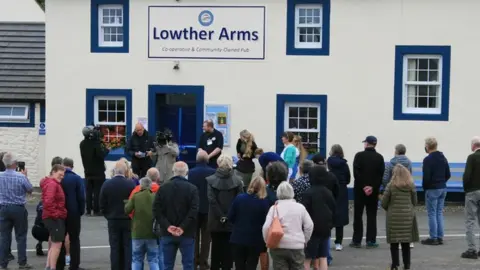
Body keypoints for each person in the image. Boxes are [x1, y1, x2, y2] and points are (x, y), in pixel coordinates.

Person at [153, 161, 199, 270]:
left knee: (167, 265)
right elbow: (194, 211)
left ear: (173, 171)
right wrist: (182, 227)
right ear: (186, 172)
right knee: (188, 265)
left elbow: (156, 210)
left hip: (167, 232)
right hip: (187, 232)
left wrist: (168, 226)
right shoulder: (192, 189)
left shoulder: (163, 188)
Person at [262, 182, 314, 270]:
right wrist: (304, 240)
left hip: (278, 245)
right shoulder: (300, 207)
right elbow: (309, 225)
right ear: (292, 192)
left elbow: (266, 227)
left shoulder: (274, 208)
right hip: (297, 246)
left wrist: (268, 241)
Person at [207, 154, 244, 270]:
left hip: (215, 219)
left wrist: (220, 216)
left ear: (218, 164)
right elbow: (239, 201)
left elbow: (211, 200)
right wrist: (228, 216)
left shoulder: (210, 180)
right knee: (229, 250)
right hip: (232, 220)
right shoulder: (238, 181)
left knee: (216, 249)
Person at [381, 164, 419, 270]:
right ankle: (407, 265)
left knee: (394, 243)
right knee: (406, 243)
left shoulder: (390, 185)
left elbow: (384, 203)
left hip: (393, 218)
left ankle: (395, 265)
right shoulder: (411, 185)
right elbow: (415, 202)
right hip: (408, 217)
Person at [100, 160, 136, 270]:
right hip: (127, 219)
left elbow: (102, 204)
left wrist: (108, 215)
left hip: (113, 219)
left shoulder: (107, 184)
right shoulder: (130, 184)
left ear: (114, 171)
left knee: (115, 247)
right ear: (125, 171)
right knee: (127, 246)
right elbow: (134, 202)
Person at [350, 136, 385, 249]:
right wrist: (372, 187)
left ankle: (357, 240)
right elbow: (380, 175)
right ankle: (371, 240)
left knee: (358, 215)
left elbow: (356, 173)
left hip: (360, 190)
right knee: (371, 215)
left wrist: (364, 186)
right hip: (373, 191)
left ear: (366, 144)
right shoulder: (379, 157)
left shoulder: (359, 156)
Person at [228, 177, 270, 270]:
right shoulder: (264, 203)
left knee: (239, 265)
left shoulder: (239, 198)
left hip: (238, 237)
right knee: (251, 265)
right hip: (255, 240)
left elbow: (230, 217)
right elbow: (266, 223)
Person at [0, 152, 33, 269]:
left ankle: (3, 263)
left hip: (3, 207)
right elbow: (30, 189)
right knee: (21, 236)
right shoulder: (20, 176)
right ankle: (22, 262)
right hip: (18, 208)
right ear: (14, 163)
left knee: (4, 236)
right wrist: (25, 176)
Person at [303, 166, 336, 270]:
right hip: (325, 228)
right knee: (323, 257)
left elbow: (304, 212)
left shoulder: (308, 193)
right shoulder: (328, 192)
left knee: (307, 258)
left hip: (311, 230)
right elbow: (333, 209)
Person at [188, 150, 215, 270]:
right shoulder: (213, 172)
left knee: (194, 236)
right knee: (206, 238)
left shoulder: (191, 172)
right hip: (208, 208)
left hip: (194, 208)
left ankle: (194, 261)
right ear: (207, 159)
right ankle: (204, 262)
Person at [421, 137, 451, 246]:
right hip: (443, 187)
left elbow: (426, 177)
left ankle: (433, 237)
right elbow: (448, 174)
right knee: (439, 213)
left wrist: (425, 188)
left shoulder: (428, 159)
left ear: (427, 146)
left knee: (432, 213)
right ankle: (440, 237)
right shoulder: (443, 157)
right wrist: (442, 182)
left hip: (432, 189)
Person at [125, 177, 160, 270]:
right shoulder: (155, 196)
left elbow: (127, 209)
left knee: (137, 259)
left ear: (141, 185)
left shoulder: (136, 196)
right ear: (150, 186)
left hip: (137, 233)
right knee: (153, 259)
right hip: (152, 233)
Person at [58, 158, 86, 270]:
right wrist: (81, 211)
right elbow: (81, 197)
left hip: (60, 212)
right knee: (74, 239)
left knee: (60, 238)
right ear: (72, 166)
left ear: (62, 165)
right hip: (73, 213)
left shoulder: (59, 178)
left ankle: (60, 264)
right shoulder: (77, 178)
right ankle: (74, 265)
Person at [41, 164, 68, 270]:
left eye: (63, 175)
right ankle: (52, 267)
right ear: (53, 172)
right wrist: (57, 214)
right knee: (57, 245)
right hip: (54, 218)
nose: (62, 177)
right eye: (60, 174)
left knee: (54, 244)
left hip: (51, 216)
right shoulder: (53, 184)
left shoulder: (51, 183)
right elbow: (48, 202)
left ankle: (49, 266)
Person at [80, 126, 110, 216]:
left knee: (89, 191)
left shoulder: (82, 143)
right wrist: (107, 150)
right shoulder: (96, 144)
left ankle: (88, 210)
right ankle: (96, 210)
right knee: (97, 190)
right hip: (98, 171)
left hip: (87, 170)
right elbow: (101, 154)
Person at [327, 144, 351, 251]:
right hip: (342, 189)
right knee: (340, 216)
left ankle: (326, 241)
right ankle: (338, 243)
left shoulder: (329, 163)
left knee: (328, 214)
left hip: (330, 188)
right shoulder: (344, 164)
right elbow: (348, 178)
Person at [461, 136, 480, 259]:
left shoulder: (472, 157)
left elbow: (467, 176)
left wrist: (466, 189)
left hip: (473, 191)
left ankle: (472, 250)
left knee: (470, 221)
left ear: (473, 146)